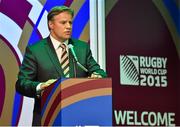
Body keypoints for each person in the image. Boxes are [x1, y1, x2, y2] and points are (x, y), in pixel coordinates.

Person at [16, 6, 107, 125]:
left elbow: (99, 72)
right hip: (48, 118)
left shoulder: (81, 48)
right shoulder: (36, 50)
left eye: (70, 22)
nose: (69, 26)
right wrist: (41, 87)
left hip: (77, 118)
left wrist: (98, 77)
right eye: (63, 23)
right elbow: (22, 83)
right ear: (51, 25)